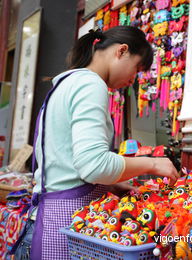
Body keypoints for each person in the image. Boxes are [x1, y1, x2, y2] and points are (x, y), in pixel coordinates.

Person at [13, 26, 179, 259]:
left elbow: (66, 161)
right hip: (62, 227)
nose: (133, 80)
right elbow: (94, 165)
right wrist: (152, 164)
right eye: (136, 70)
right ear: (121, 51)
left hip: (48, 218)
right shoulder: (90, 84)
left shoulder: (68, 82)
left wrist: (110, 185)